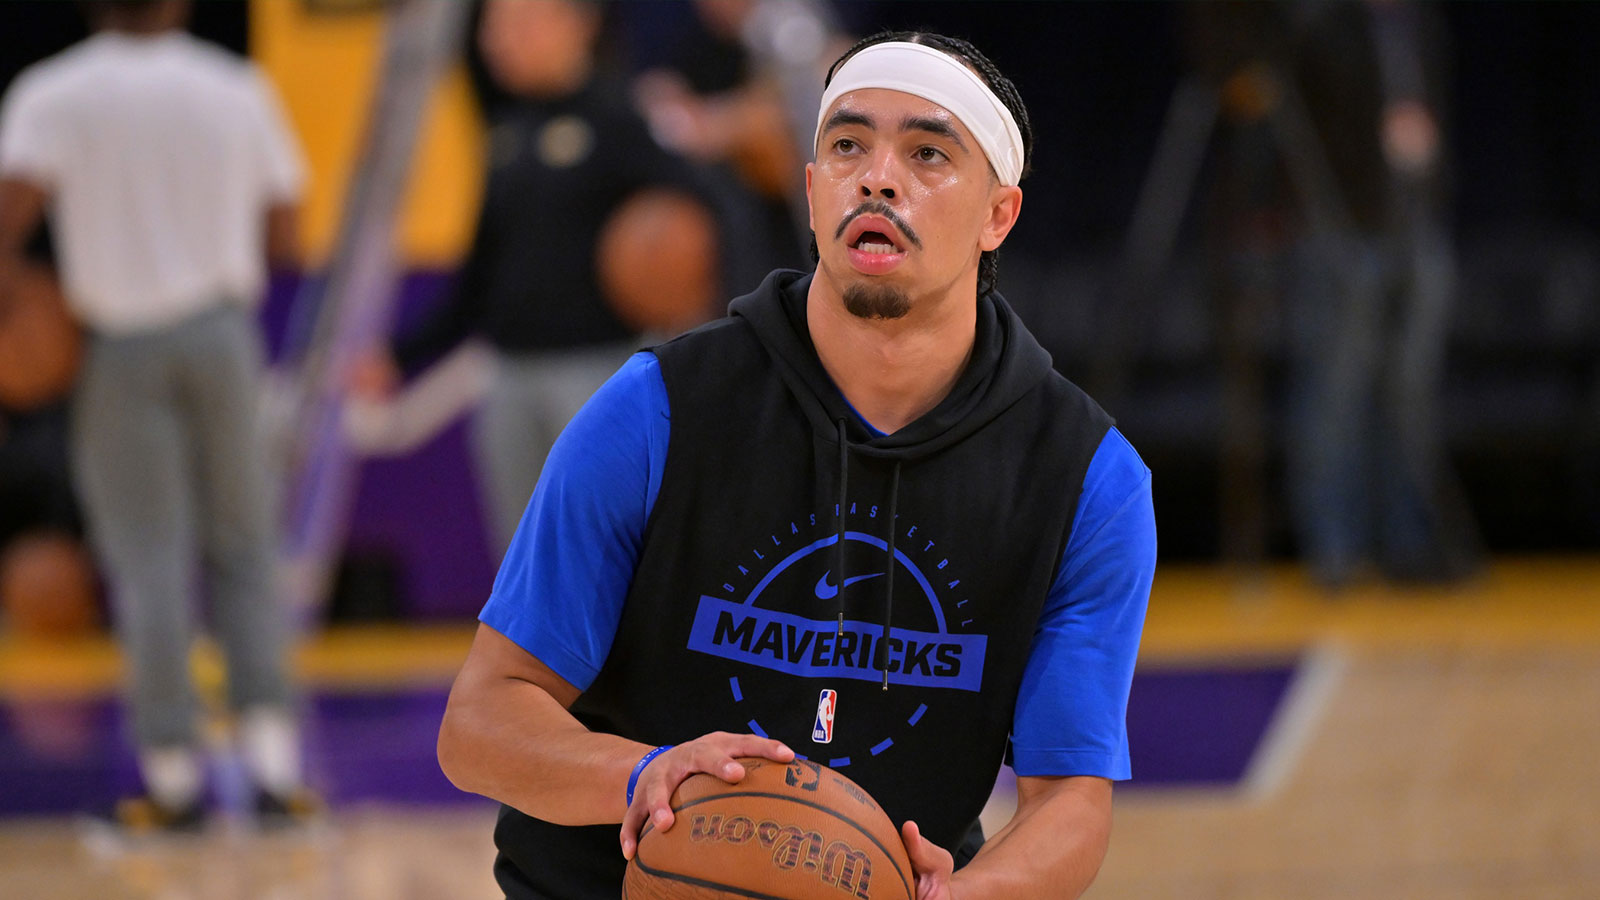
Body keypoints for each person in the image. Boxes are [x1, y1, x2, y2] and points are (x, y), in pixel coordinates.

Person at [437, 30, 1156, 899]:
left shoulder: (1086, 479)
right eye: (847, 145)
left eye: (928, 153)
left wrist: (967, 894)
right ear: (812, 192)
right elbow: (480, 721)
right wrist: (643, 778)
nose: (878, 177)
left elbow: (1068, 801)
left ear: (999, 215)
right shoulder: (657, 410)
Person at [0, 0, 313, 830]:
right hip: (221, 336)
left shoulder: (53, 91)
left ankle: (173, 784)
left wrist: (22, 308)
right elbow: (288, 232)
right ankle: (276, 774)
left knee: (149, 561)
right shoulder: (235, 86)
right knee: (245, 548)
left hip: (119, 344)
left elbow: (7, 216)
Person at [351, 0, 719, 554]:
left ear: (577, 27)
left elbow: (703, 221)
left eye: (517, 25)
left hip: (597, 375)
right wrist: (401, 355)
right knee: (523, 564)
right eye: (492, 28)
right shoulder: (505, 133)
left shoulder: (620, 120)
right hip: (507, 378)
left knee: (608, 555)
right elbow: (479, 279)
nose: (497, 42)